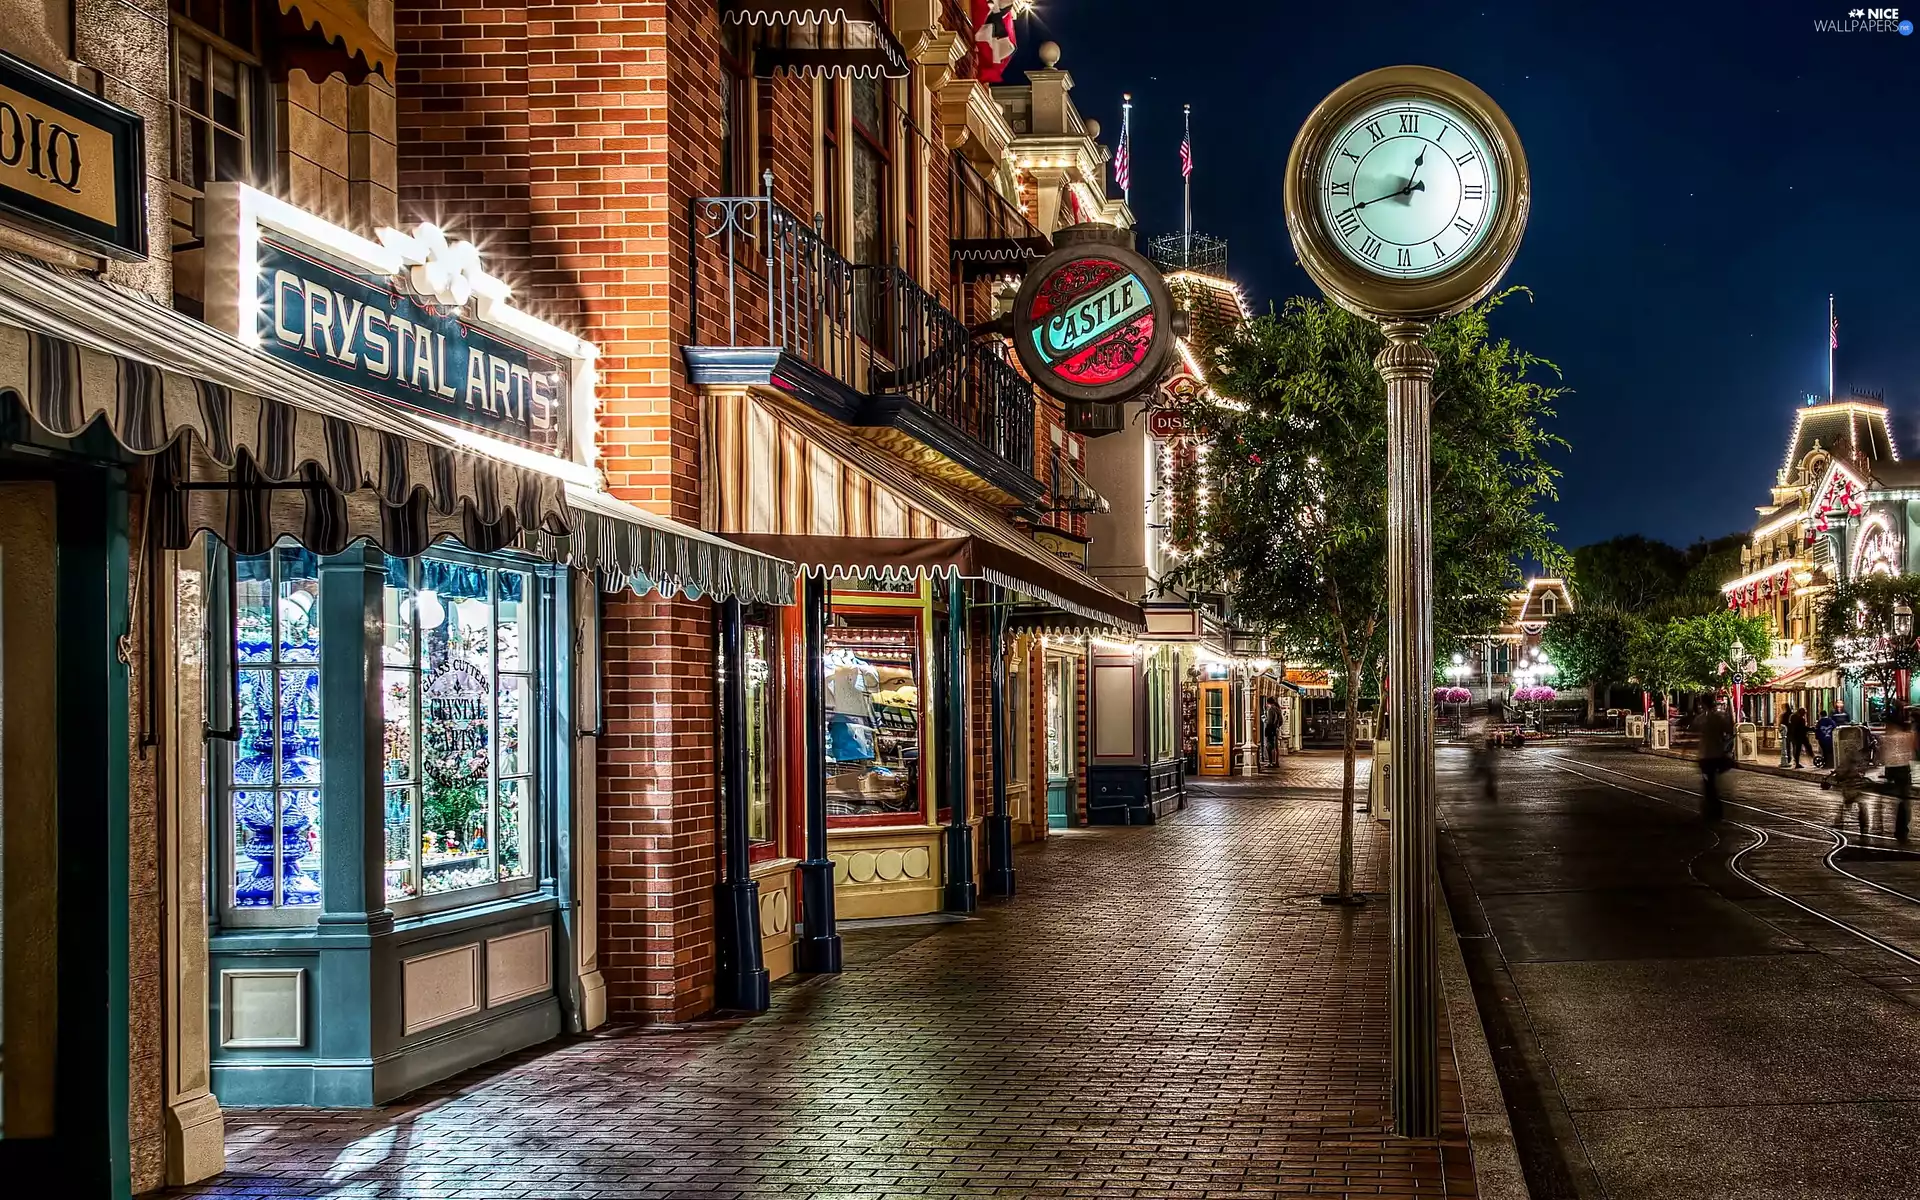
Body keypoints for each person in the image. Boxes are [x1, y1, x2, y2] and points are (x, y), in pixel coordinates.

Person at [1696, 698, 1734, 822]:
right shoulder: (1719, 717)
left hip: (1706, 756)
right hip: (1717, 755)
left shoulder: (1702, 718)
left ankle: (1711, 808)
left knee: (1708, 783)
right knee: (1712, 782)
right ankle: (1715, 808)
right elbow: (1729, 730)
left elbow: (1692, 728)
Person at [1884, 705, 1913, 843]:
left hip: (1894, 769)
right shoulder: (1906, 736)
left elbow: (1885, 755)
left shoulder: (1890, 738)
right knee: (1903, 801)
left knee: (1899, 801)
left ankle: (1899, 828)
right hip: (1902, 769)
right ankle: (1902, 829)